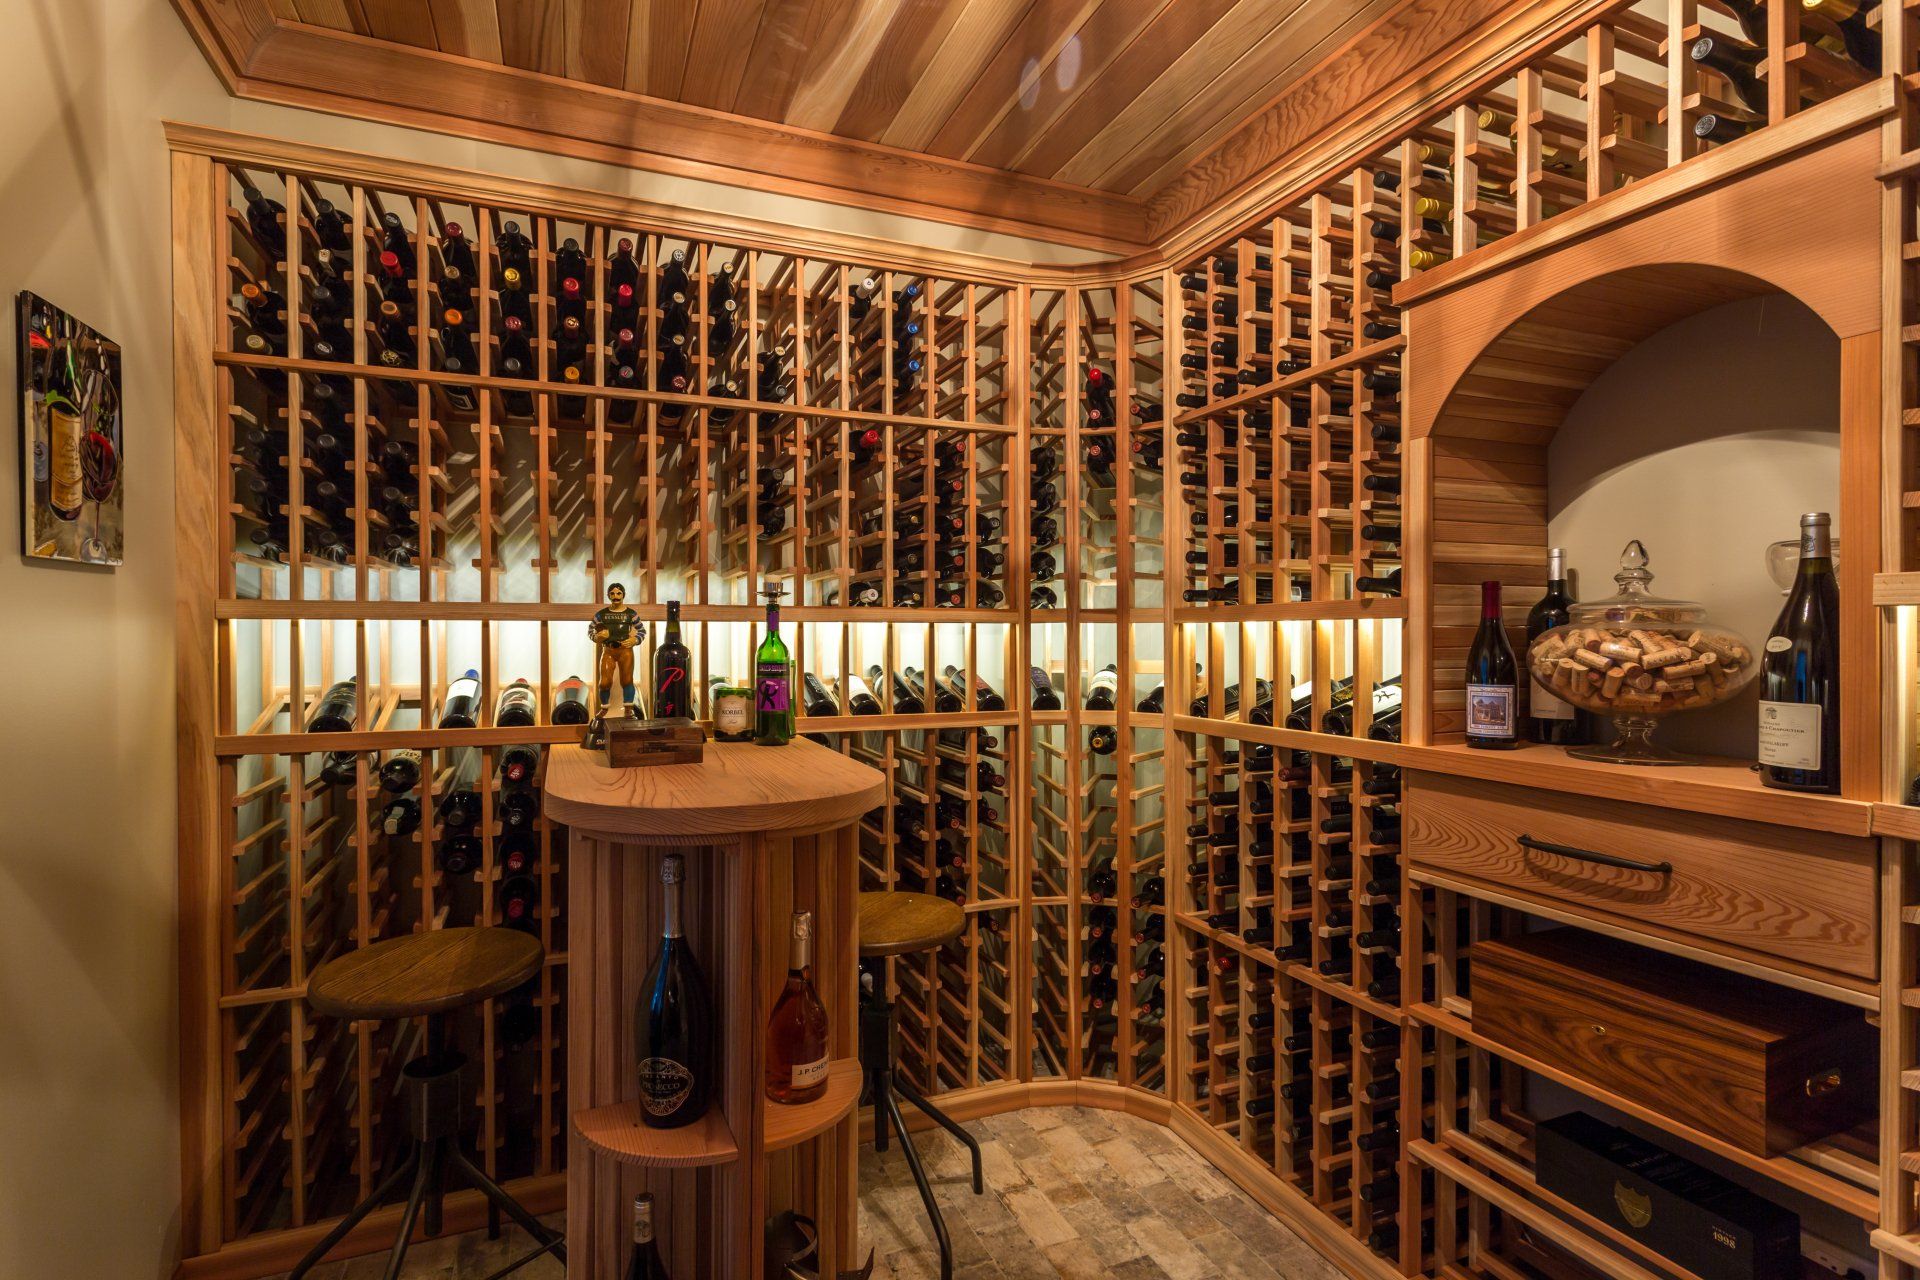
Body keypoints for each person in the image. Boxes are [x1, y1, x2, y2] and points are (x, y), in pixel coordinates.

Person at [590, 582, 645, 717]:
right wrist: (597, 637)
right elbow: (591, 631)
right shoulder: (601, 614)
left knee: (627, 680)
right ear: (608, 595)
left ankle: (628, 708)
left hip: (625, 650)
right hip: (608, 650)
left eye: (619, 593)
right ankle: (604, 707)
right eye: (612, 593)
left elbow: (642, 631)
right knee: (604, 682)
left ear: (623, 595)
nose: (615, 596)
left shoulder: (631, 613)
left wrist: (635, 640)